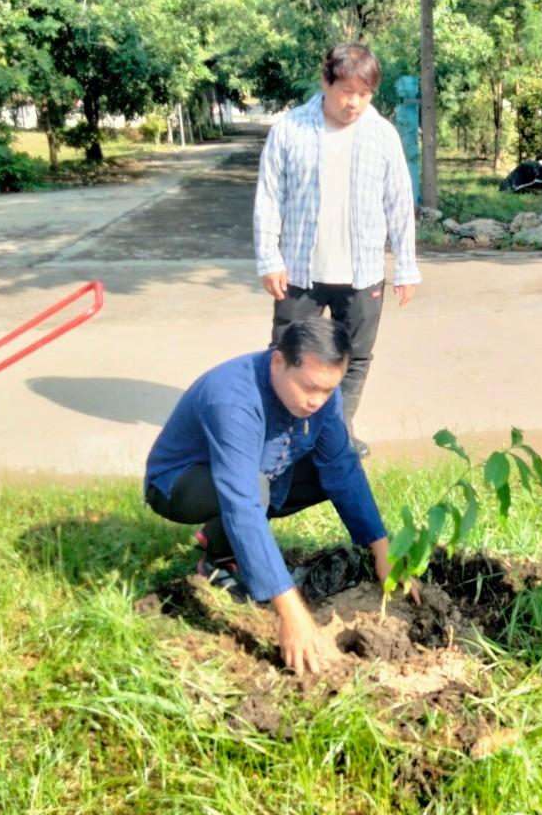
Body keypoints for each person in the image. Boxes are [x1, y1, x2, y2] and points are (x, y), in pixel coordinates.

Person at [144, 318, 413, 676]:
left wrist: (382, 549)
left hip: (257, 473)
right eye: (308, 387)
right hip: (179, 485)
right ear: (278, 362)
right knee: (253, 492)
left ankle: (217, 533)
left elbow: (341, 468)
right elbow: (242, 500)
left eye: (328, 390)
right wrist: (290, 609)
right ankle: (218, 558)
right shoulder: (232, 399)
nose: (317, 400)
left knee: (333, 469)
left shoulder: (321, 398)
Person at [253, 42, 421, 458]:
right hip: (300, 272)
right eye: (348, 91)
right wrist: (269, 257)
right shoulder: (291, 129)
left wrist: (407, 266)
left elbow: (399, 201)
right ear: (325, 81)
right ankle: (282, 436)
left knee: (356, 356)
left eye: (365, 94)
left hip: (363, 273)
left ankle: (337, 432)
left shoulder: (381, 135)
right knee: (287, 353)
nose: (355, 103)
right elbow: (269, 197)